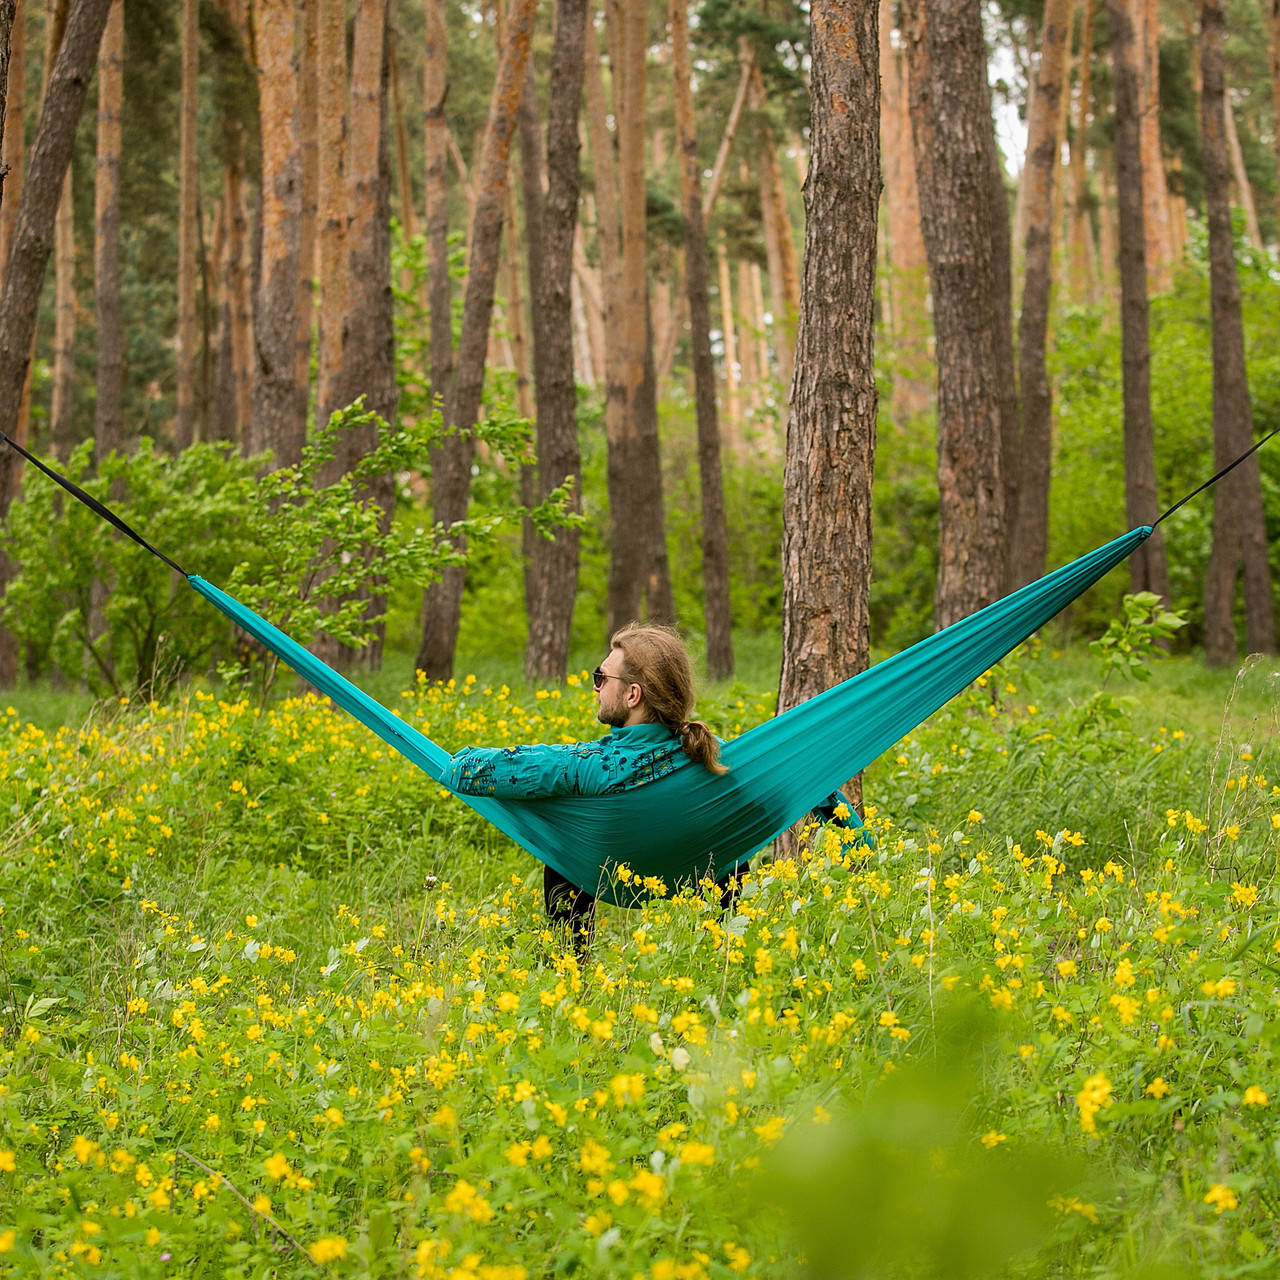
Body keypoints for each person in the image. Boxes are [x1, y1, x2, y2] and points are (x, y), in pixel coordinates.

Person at [442, 622, 864, 949]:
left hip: (611, 871)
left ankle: (569, 969)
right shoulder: (718, 757)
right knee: (731, 851)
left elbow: (468, 771)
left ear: (632, 695)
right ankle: (728, 953)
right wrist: (861, 852)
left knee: (562, 849)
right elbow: (817, 788)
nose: (595, 687)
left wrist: (453, 759)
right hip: (696, 872)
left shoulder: (593, 766)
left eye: (600, 678)